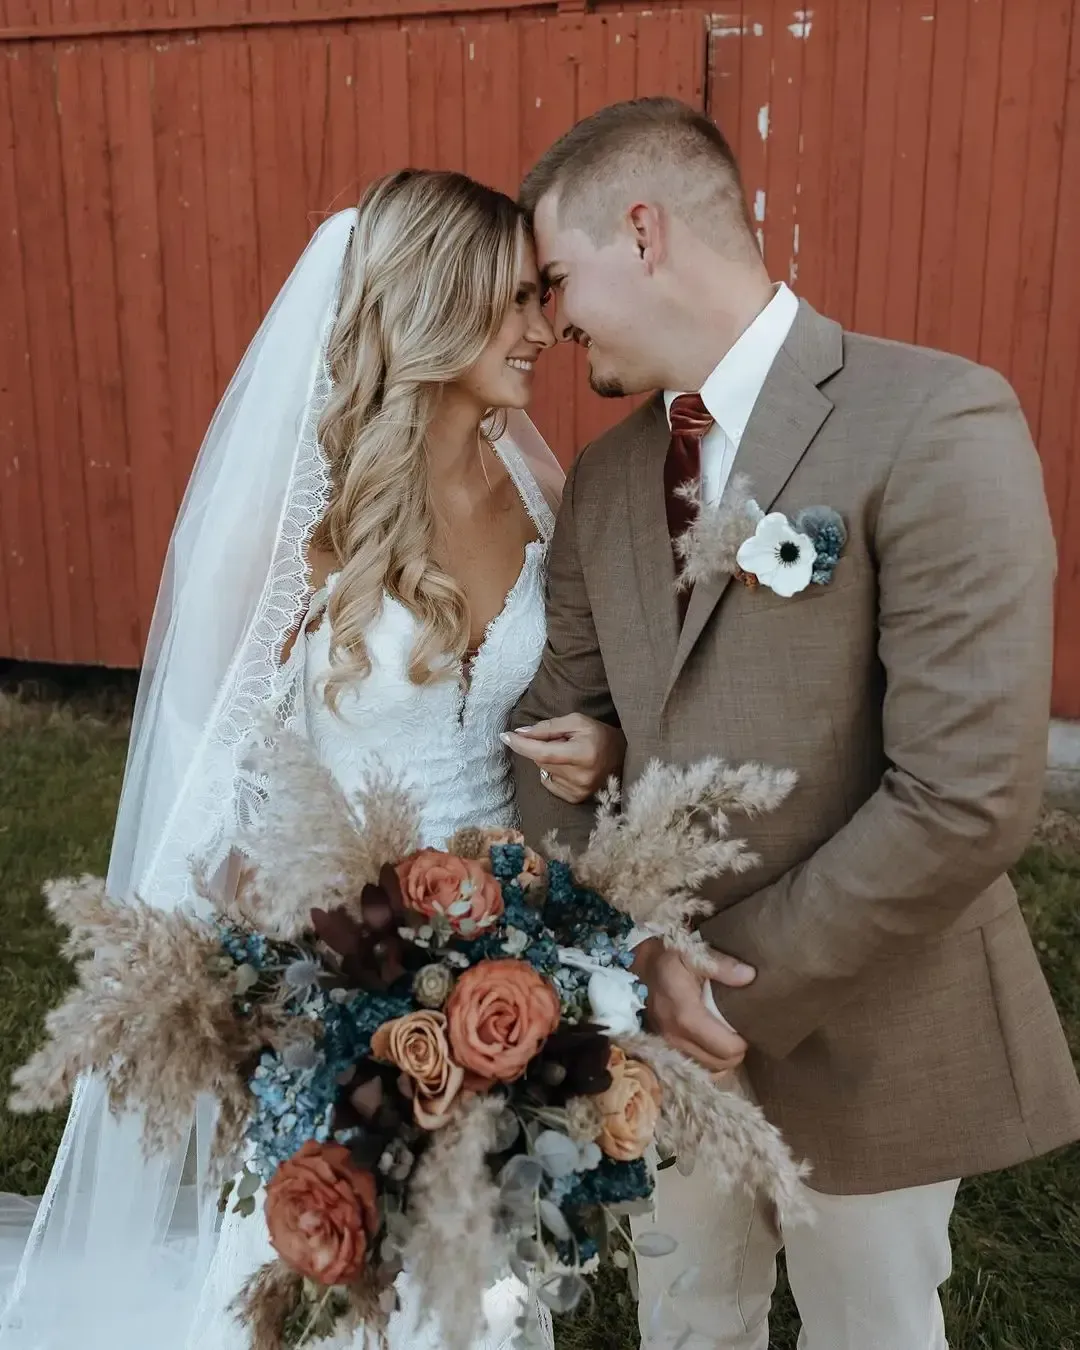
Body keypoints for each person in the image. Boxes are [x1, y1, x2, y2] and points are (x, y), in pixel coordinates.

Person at [0, 170, 622, 1350]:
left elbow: (585, 688)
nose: (543, 329)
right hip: (347, 955)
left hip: (519, 942)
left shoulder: (540, 491)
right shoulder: (300, 522)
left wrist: (604, 749)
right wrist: (306, 965)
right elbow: (210, 773)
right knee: (343, 1274)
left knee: (490, 1264)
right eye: (513, 304)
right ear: (434, 305)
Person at [507, 97, 1080, 1350]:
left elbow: (970, 789)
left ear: (643, 233)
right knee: (685, 1321)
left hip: (873, 1017)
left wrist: (718, 986)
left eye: (558, 279)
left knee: (870, 1331)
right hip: (660, 1034)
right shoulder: (606, 481)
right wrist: (624, 958)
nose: (552, 323)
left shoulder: (935, 418)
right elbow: (559, 724)